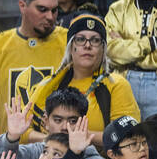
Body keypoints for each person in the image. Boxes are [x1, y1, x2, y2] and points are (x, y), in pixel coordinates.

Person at [0, 0, 68, 158]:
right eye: (42, 9)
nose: (50, 17)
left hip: (59, 154)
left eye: (54, 10)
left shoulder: (69, 43)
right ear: (22, 6)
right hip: (10, 155)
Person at [27, 13, 141, 148]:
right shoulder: (49, 84)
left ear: (103, 49)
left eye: (95, 40)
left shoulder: (116, 84)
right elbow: (22, 131)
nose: (87, 45)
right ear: (71, 47)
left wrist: (82, 136)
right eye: (80, 39)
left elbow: (128, 135)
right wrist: (54, 140)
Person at [0, 86, 113, 159]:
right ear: (46, 122)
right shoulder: (33, 155)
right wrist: (12, 137)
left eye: (72, 121)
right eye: (58, 120)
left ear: (84, 122)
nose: (65, 127)